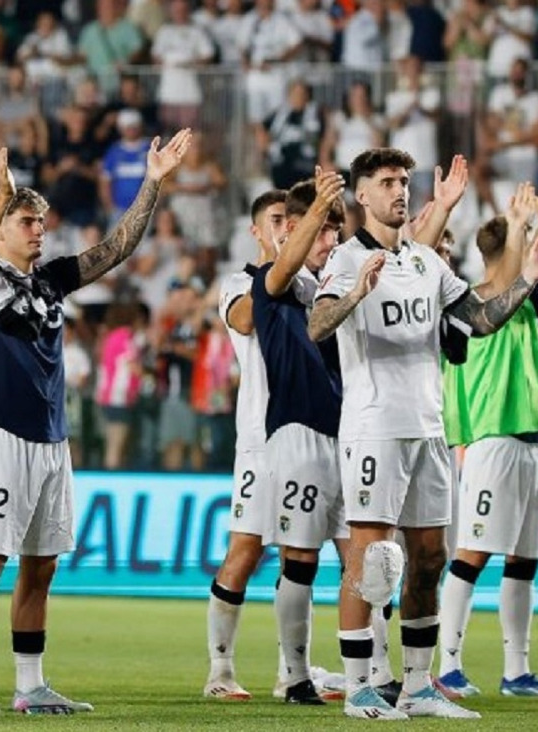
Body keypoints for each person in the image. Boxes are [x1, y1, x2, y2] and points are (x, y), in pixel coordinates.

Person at [0, 133, 191, 714]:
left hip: (52, 441)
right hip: (1, 437)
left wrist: (153, 181)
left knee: (41, 568)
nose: (40, 230)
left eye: (42, 221)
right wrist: (1, 193)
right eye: (28, 220)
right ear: (1, 227)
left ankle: (30, 685)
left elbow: (115, 249)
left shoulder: (52, 280)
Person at [309, 148, 538, 720]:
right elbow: (316, 326)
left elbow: (478, 320)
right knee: (372, 557)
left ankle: (416, 685)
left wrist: (528, 278)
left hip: (428, 430)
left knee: (430, 557)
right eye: (387, 182)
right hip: (375, 428)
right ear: (362, 195)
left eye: (404, 181)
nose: (399, 190)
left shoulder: (425, 263)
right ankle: (360, 685)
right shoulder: (344, 260)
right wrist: (356, 294)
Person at [250, 169, 349, 705]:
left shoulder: (329, 287)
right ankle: (294, 675)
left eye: (336, 231)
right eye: (323, 230)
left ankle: (371, 671)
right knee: (301, 560)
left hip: (346, 438)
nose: (329, 241)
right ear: (292, 229)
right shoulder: (272, 279)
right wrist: (316, 210)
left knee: (368, 560)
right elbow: (285, 263)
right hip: (297, 434)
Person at [438, 186, 538, 698]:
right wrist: (520, 226)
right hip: (493, 441)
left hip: (530, 443)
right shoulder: (476, 306)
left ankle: (517, 670)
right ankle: (447, 663)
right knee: (472, 553)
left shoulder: (526, 307)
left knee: (524, 560)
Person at [205, 188, 287, 701]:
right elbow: (245, 320)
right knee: (247, 549)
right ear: (256, 230)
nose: (285, 227)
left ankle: (292, 670)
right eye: (276, 220)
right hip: (261, 438)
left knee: (303, 555)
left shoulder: (311, 284)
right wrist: (280, 271)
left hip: (318, 437)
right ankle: (219, 670)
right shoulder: (239, 283)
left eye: (291, 220)